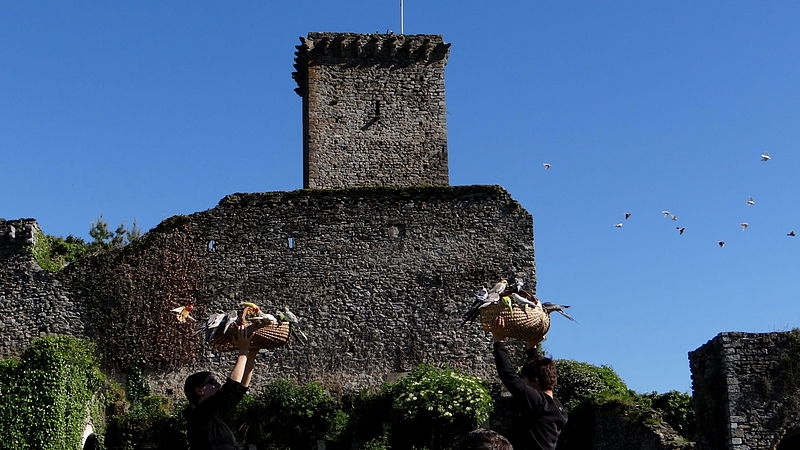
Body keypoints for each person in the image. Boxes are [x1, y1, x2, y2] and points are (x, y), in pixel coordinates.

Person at [491, 317, 567, 450]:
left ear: (535, 381)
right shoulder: (556, 406)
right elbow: (536, 370)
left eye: (524, 380)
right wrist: (532, 348)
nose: (523, 384)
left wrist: (499, 341)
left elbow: (508, 376)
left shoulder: (539, 402)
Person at [184, 325, 258, 450]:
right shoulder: (200, 414)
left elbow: (239, 390)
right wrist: (243, 351)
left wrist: (250, 356)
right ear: (199, 390)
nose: (217, 385)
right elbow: (231, 387)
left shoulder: (212, 413)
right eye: (212, 382)